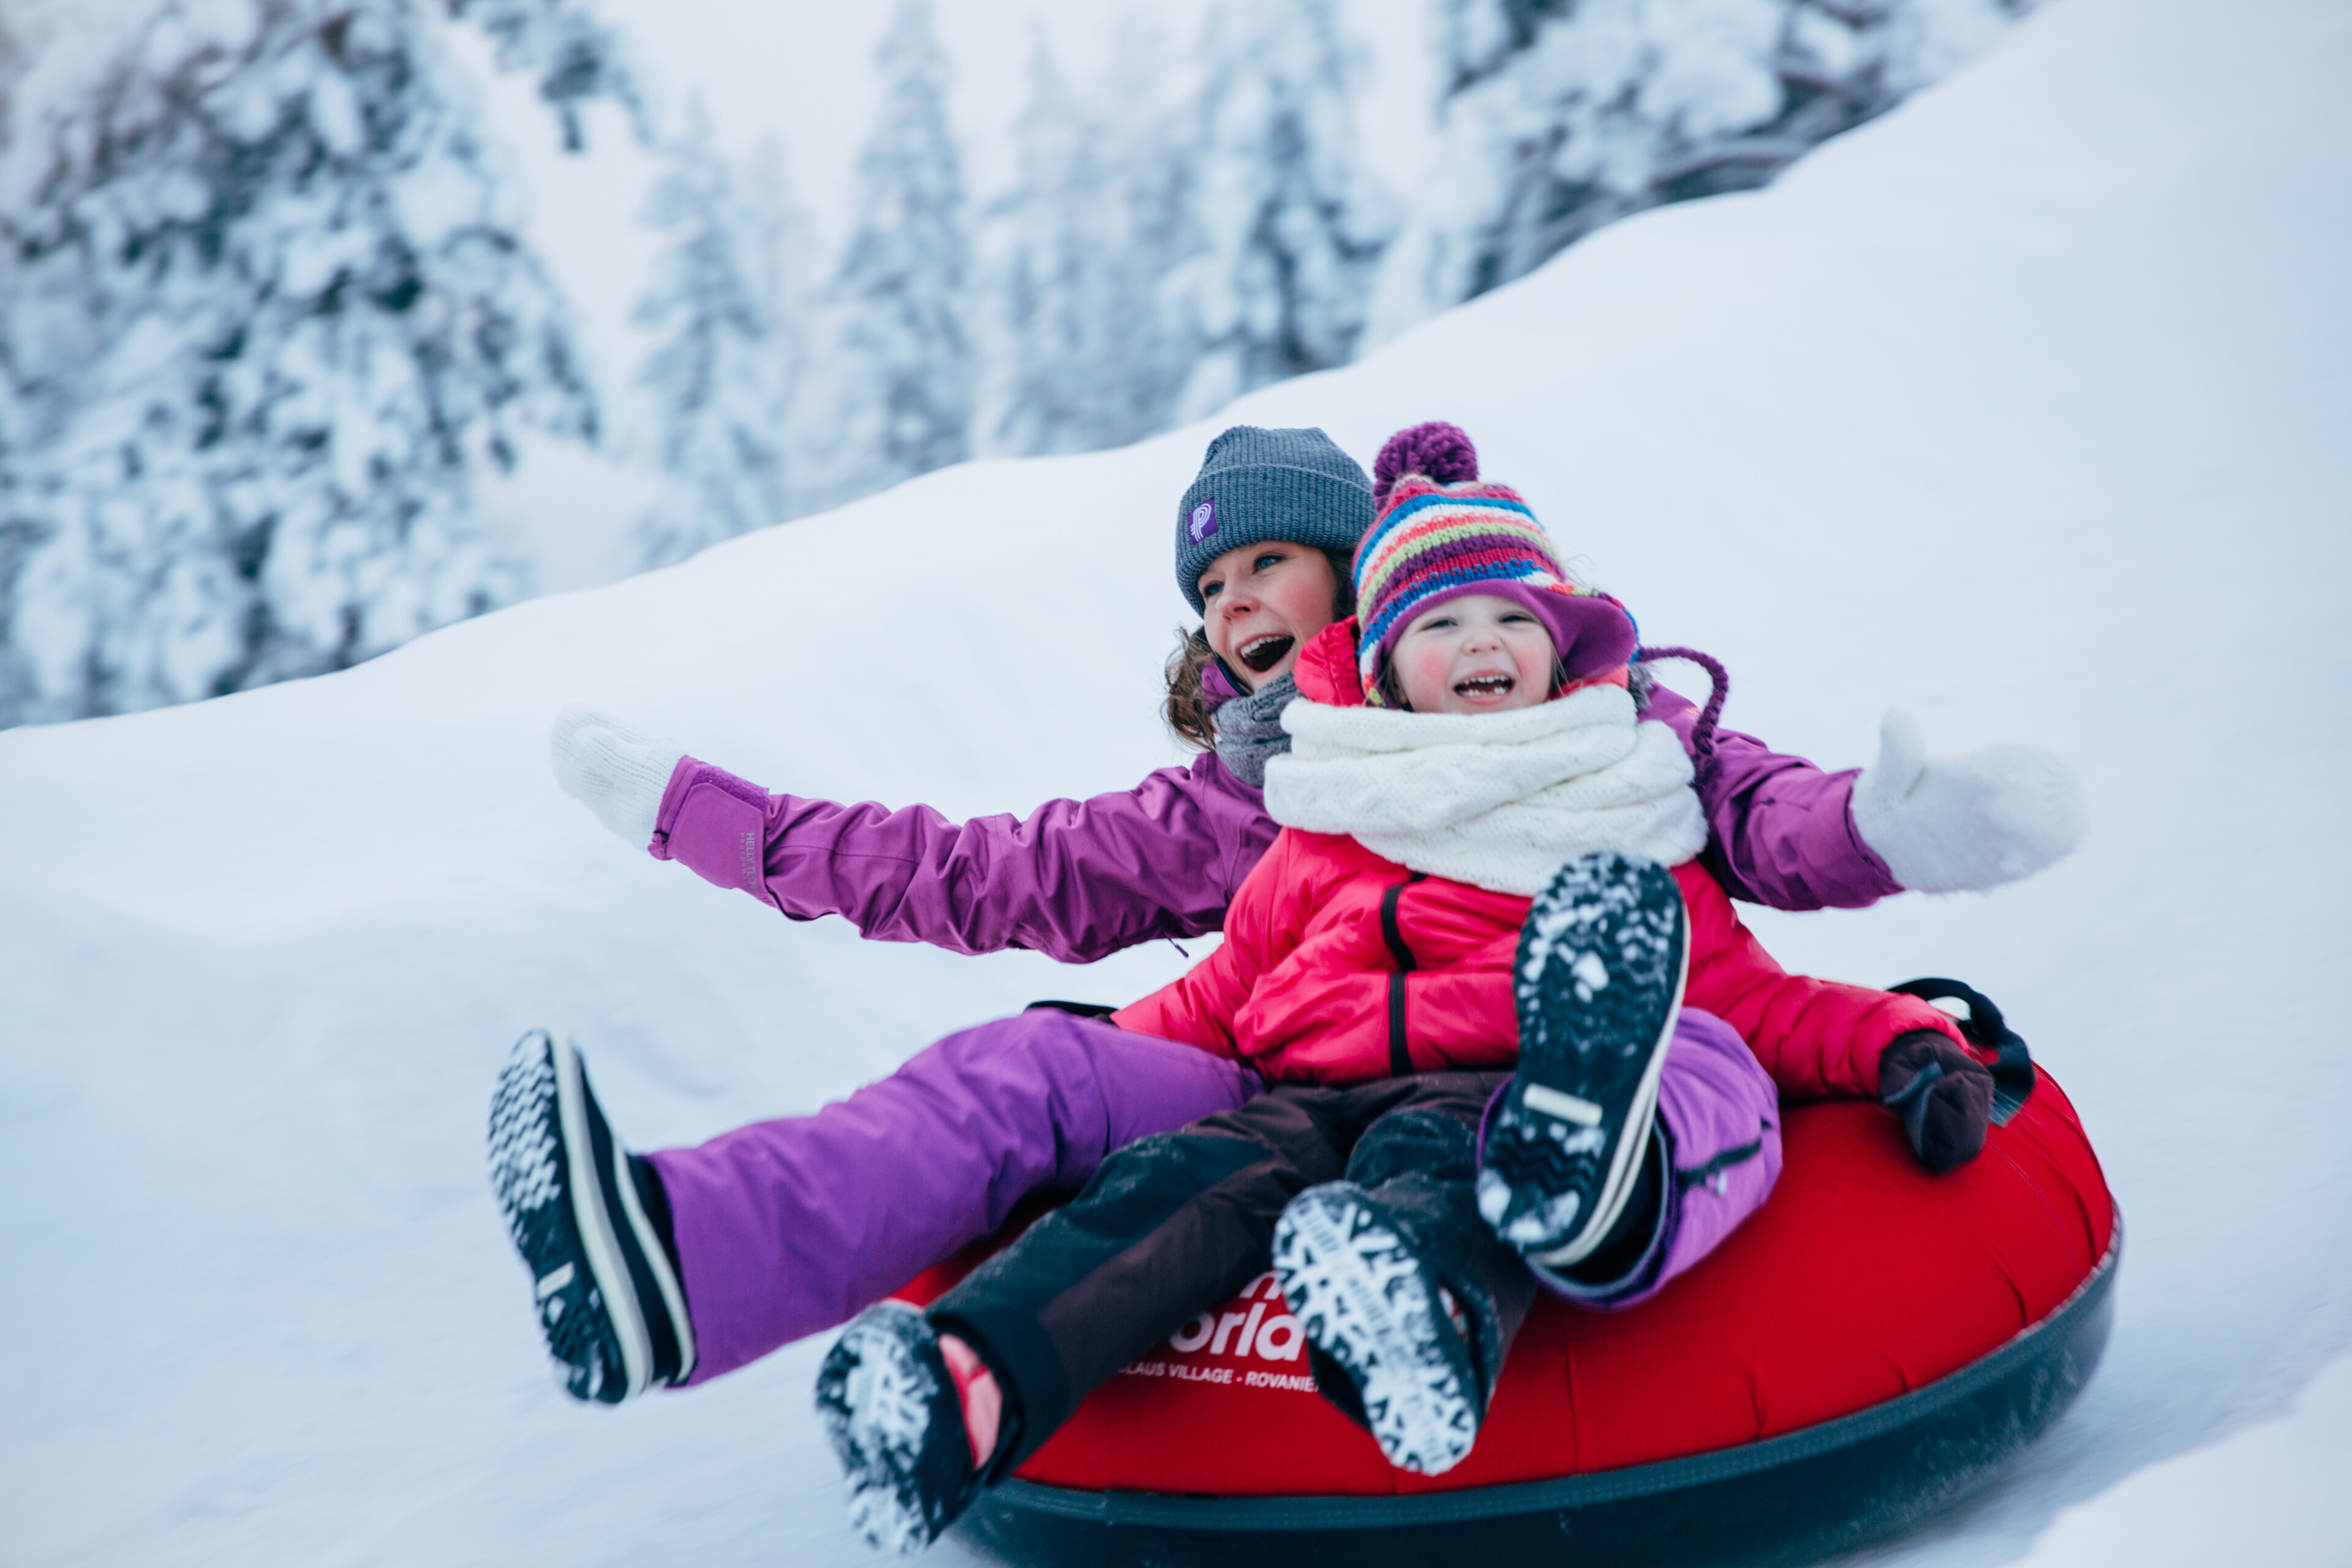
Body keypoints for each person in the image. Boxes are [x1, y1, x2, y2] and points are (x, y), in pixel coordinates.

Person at [496, 423, 2084, 1406]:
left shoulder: (1606, 728)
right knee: (1026, 1069)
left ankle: (1575, 1194)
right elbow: (975, 876)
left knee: (1683, 1068)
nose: (1237, 608)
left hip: (1519, 1072)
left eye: (1270, 563)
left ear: (1366, 580)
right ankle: (681, 1263)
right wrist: (700, 815)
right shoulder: (1253, 797)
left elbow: (1767, 826)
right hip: (1283, 1079)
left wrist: (1896, 830)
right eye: (1210, 592)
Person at [807, 472, 2024, 1554]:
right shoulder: (1334, 814)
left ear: (1563, 651)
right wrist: (1086, 1067)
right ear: (1385, 670)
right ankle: (963, 1385)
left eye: (1513, 619)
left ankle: (1423, 1313)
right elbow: (1231, 990)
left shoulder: (1624, 795)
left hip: (1500, 1080)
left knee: (1440, 1162)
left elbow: (1743, 998)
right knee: (1178, 1180)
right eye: (1441, 624)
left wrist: (1902, 1041)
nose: (1482, 642)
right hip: (1303, 1093)